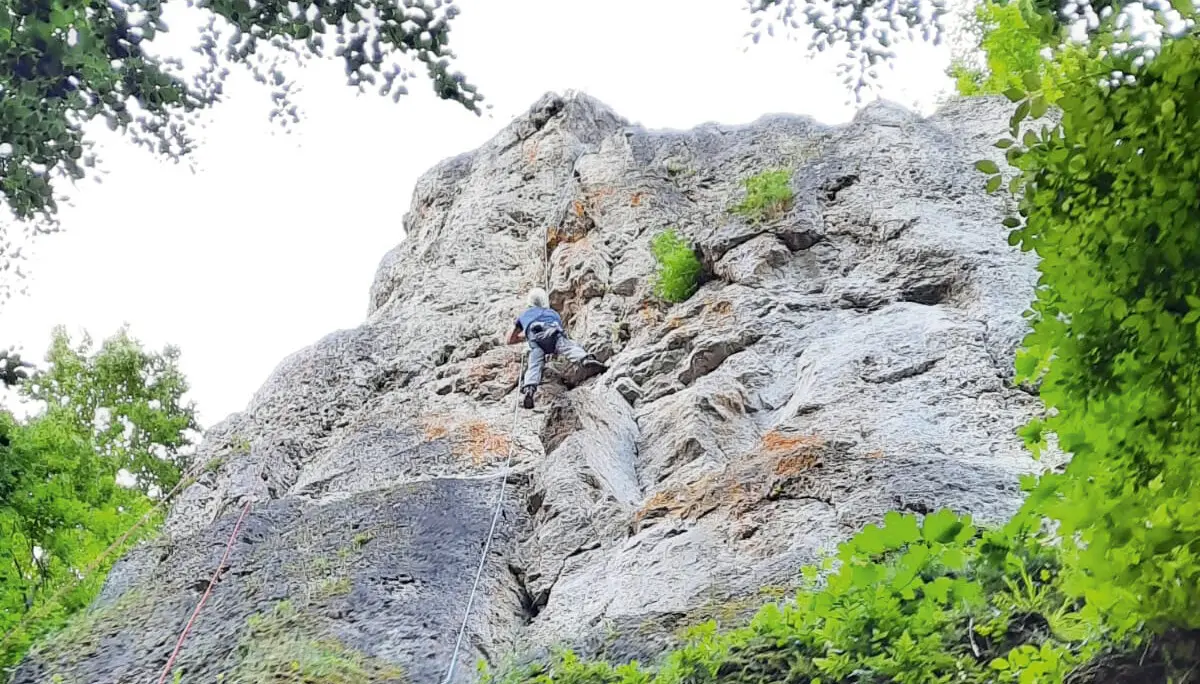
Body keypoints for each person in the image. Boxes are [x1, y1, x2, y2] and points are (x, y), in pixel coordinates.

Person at [507, 287, 607, 409]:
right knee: (567, 346)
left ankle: (529, 388)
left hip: (535, 339)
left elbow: (510, 340)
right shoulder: (553, 313)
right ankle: (584, 359)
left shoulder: (524, 315)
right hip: (552, 332)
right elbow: (559, 330)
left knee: (534, 364)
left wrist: (525, 336)